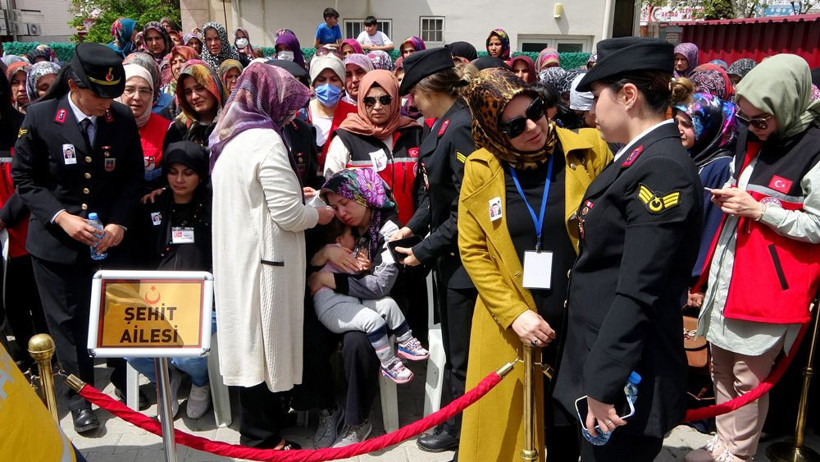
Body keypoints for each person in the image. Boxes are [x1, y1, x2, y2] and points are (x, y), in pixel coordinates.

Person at [552, 37, 703, 461]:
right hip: (604, 355)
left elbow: (640, 289)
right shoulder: (637, 157)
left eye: (598, 96)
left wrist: (601, 384)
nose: (591, 110)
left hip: (625, 375)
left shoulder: (662, 168)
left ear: (629, 96)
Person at [457, 67, 612, 462]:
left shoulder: (591, 149)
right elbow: (472, 251)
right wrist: (514, 315)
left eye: (536, 110)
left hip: (577, 321)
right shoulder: (481, 166)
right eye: (513, 126)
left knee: (566, 430)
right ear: (494, 132)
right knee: (512, 435)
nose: (532, 126)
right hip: (511, 329)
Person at [686, 54, 820, 462]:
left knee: (748, 377)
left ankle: (738, 454)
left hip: (768, 287)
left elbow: (818, 225)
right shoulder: (753, 136)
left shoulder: (814, 150)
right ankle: (724, 444)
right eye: (746, 119)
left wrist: (761, 210)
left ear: (785, 105)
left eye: (761, 120)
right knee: (720, 367)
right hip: (732, 273)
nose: (751, 128)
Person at [12, 43, 144, 433]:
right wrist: (60, 217)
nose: (108, 103)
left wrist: (119, 222)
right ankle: (81, 396)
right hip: (56, 245)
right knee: (67, 324)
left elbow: (132, 176)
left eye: (111, 94)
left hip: (107, 242)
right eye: (98, 95)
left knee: (111, 314)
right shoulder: (39, 117)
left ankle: (123, 380)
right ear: (74, 86)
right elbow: (25, 179)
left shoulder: (119, 118)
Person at [209, 63, 333, 450]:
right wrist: (320, 212)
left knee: (251, 343)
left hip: (240, 256)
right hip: (265, 263)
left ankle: (266, 423)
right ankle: (261, 438)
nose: (291, 113)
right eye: (288, 104)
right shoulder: (266, 141)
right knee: (263, 345)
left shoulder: (229, 137)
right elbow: (289, 215)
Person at [389, 48, 478, 455]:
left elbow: (466, 210)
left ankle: (458, 428)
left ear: (428, 89)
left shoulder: (459, 128)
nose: (411, 102)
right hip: (446, 254)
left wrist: (422, 250)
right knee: (455, 348)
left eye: (413, 94)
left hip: (462, 262)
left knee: (461, 355)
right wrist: (412, 227)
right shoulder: (441, 125)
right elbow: (435, 197)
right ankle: (451, 418)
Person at [306, 168, 405, 448]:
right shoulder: (334, 227)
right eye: (335, 206)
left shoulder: (388, 229)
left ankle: (357, 420)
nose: (341, 212)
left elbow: (382, 285)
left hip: (379, 308)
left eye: (345, 202)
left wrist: (327, 278)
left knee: (358, 341)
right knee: (308, 333)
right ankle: (327, 410)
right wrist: (325, 253)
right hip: (337, 305)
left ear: (364, 196)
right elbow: (308, 267)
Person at [126, 141, 215, 419]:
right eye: (172, 171)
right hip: (157, 300)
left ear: (200, 174)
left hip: (203, 302)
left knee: (187, 352)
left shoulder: (213, 208)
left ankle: (200, 383)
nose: (179, 180)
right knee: (130, 349)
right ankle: (167, 378)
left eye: (187, 172)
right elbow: (138, 258)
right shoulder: (151, 204)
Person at [309, 214, 429, 385]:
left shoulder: (349, 254)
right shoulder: (334, 249)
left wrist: (366, 268)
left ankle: (405, 341)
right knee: (373, 321)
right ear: (339, 239)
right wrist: (328, 252)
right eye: (353, 236)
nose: (358, 240)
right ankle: (388, 363)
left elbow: (359, 280)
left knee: (388, 304)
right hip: (332, 307)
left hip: (351, 300)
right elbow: (315, 263)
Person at [324, 70, 423, 226]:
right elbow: (333, 195)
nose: (377, 107)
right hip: (364, 240)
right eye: (369, 101)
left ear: (396, 99)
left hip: (411, 234)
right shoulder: (346, 138)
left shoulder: (414, 133)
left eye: (384, 100)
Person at [0, 68, 46, 373]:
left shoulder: (21, 126)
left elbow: (29, 178)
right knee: (10, 303)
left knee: (33, 298)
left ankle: (46, 361)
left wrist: (4, 218)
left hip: (22, 226)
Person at [117, 63, 170, 186]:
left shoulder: (166, 128)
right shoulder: (103, 126)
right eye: (129, 90)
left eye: (144, 91)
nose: (137, 97)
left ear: (152, 95)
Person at [164, 60, 223, 149]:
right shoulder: (178, 129)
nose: (194, 96)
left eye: (200, 88)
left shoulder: (233, 123)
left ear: (214, 87)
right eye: (188, 92)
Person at [305, 55, 352, 163]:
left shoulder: (353, 114)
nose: (328, 85)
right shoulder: (301, 115)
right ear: (313, 84)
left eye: (334, 80)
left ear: (342, 84)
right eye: (321, 80)